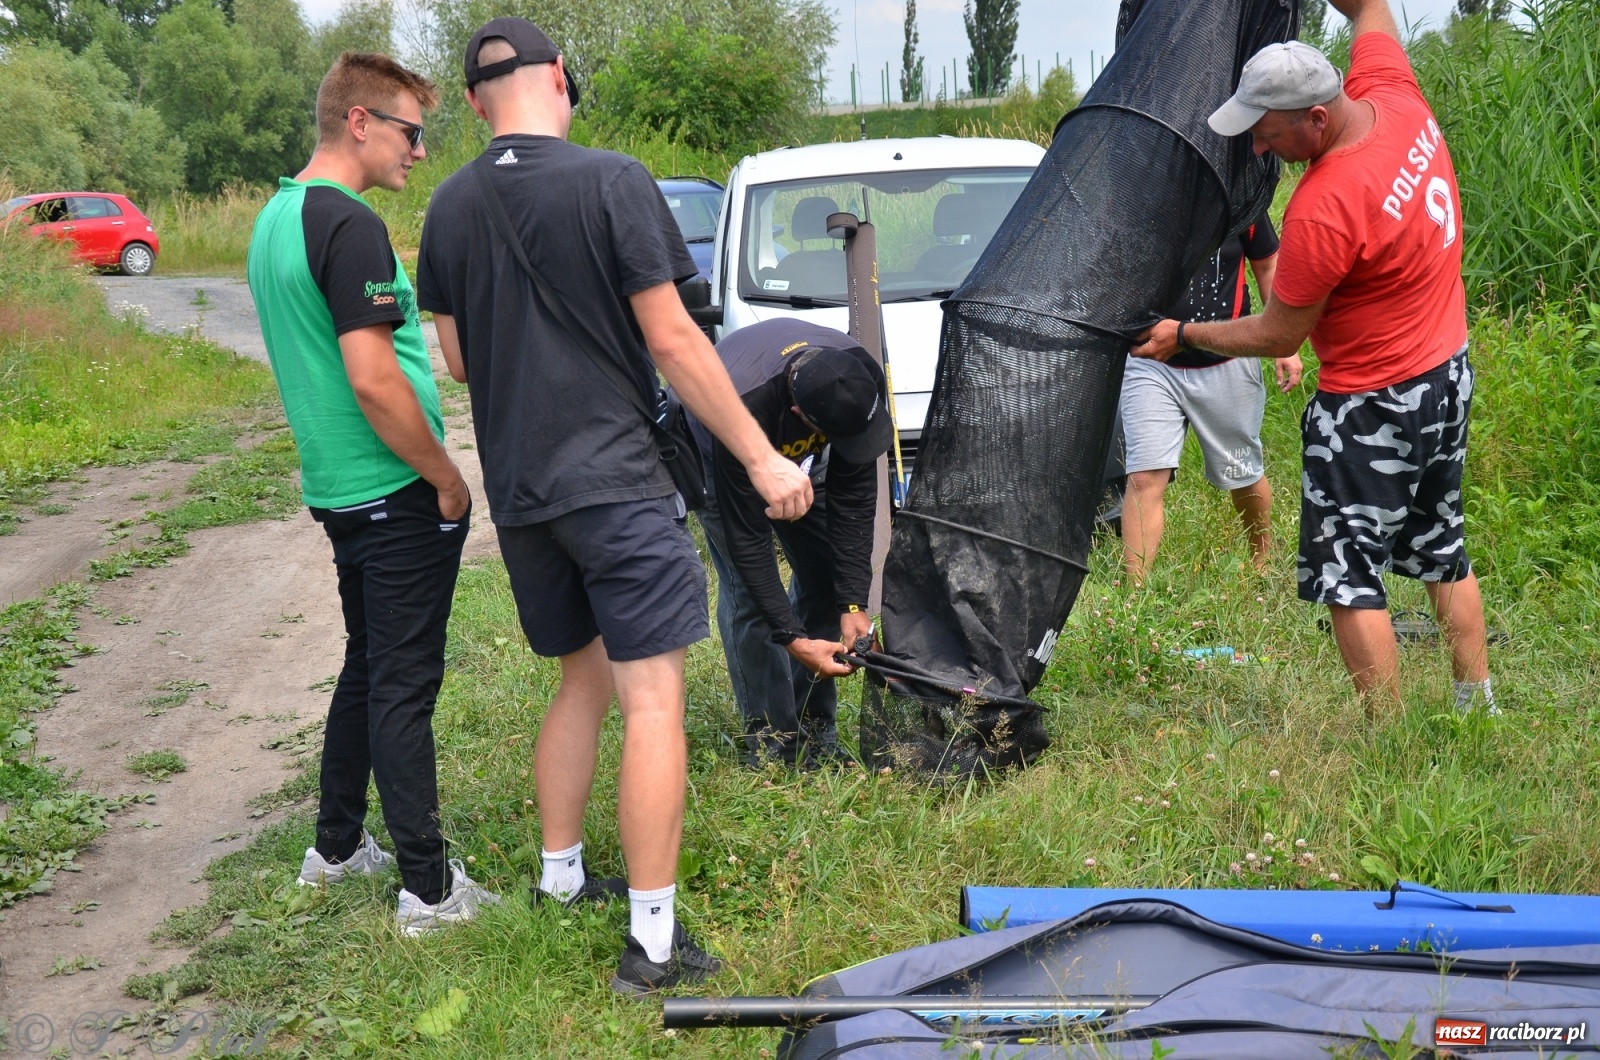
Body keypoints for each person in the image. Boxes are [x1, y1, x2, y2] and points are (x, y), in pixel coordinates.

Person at [414, 18, 812, 994]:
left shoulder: (449, 208)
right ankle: (655, 943)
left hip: (524, 494)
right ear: (559, 79)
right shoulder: (612, 180)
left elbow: (457, 359)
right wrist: (761, 458)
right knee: (653, 700)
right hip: (620, 487)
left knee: (581, 681)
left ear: (473, 102)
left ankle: (559, 879)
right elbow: (676, 338)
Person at [1130, 0, 1494, 713]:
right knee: (1441, 545)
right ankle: (1475, 703)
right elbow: (1371, 7)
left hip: (1371, 406)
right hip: (1447, 374)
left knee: (1347, 574)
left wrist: (1186, 334)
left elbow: (1277, 336)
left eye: (1268, 135)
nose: (1261, 151)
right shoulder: (1393, 93)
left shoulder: (1325, 205)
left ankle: (1387, 736)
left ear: (1315, 119)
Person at [247, 52, 499, 935]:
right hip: (392, 490)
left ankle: (338, 845)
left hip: (337, 488)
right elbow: (374, 382)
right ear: (360, 122)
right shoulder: (348, 225)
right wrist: (446, 476)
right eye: (410, 131)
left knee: (366, 666)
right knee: (402, 685)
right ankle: (430, 893)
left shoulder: (276, 216)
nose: (419, 152)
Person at [693, 319, 893, 769]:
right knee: (751, 599)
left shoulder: (856, 376)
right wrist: (793, 639)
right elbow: (749, 548)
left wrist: (852, 601)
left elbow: (854, 498)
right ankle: (773, 744)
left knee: (824, 575)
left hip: (794, 451)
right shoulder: (747, 404)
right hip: (720, 448)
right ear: (802, 415)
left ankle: (815, 728)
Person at [1122, 214, 1301, 581]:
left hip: (1227, 360)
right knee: (1144, 477)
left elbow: (1268, 264)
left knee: (1242, 472)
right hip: (1150, 361)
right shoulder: (1137, 198)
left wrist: (1286, 341)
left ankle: (1260, 565)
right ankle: (1131, 595)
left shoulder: (1240, 199)